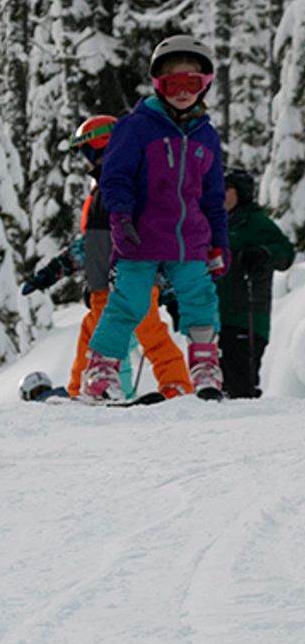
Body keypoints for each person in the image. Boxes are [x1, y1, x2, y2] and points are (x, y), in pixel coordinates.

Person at [82, 35, 229, 401]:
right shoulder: (136, 127)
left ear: (205, 85)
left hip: (190, 240)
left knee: (201, 299)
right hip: (140, 237)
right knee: (129, 303)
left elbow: (213, 197)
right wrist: (120, 218)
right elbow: (115, 177)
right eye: (173, 84)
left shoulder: (207, 137)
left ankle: (205, 368)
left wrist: (219, 241)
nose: (183, 92)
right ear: (158, 85)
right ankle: (101, 371)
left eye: (191, 83)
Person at [21, 114, 192, 400]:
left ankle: (177, 387)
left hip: (131, 283)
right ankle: (80, 392)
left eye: (85, 152)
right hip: (104, 287)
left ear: (100, 147)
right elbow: (89, 246)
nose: (85, 162)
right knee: (93, 337)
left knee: (150, 335)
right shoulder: (103, 191)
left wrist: (169, 287)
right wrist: (49, 274)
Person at [218, 167, 295, 398]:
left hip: (247, 316)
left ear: (241, 193)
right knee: (217, 385)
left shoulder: (256, 222)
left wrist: (263, 254)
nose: (221, 194)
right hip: (216, 316)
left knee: (241, 383)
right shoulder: (216, 222)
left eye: (227, 189)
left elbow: (286, 254)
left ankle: (248, 417)